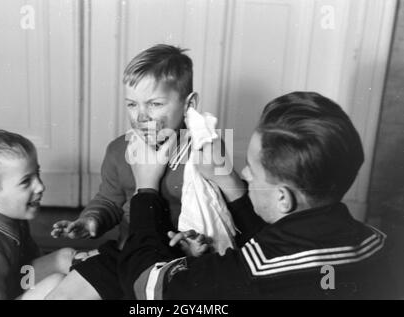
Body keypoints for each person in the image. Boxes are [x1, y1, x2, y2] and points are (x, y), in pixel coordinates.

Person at [119, 91, 396, 299]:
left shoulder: (250, 273)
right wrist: (225, 178)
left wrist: (146, 189)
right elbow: (287, 245)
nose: (246, 175)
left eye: (252, 168)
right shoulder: (378, 244)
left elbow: (151, 287)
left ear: (283, 198)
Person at [45, 44, 201, 299]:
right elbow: (109, 200)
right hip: (127, 257)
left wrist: (198, 240)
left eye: (155, 104)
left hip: (177, 269)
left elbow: (222, 217)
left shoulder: (206, 153)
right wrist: (90, 220)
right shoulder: (120, 151)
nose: (140, 116)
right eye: (131, 104)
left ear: (189, 104)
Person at [0, 129, 75, 300]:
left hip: (10, 279)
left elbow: (30, 255)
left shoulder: (10, 214)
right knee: (56, 283)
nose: (40, 186)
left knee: (65, 257)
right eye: (26, 181)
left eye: (37, 174)